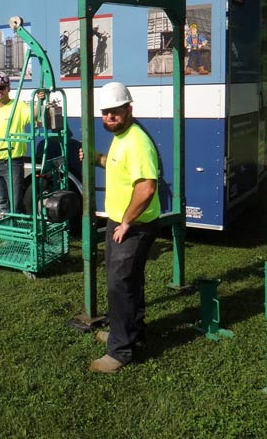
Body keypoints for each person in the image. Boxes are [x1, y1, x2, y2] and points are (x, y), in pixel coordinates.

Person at [83, 81, 160, 373]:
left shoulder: (137, 141)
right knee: (129, 283)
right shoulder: (121, 137)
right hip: (121, 222)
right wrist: (97, 159)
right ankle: (128, 331)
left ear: (129, 109)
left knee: (120, 284)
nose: (109, 118)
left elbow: (146, 188)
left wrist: (126, 222)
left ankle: (120, 351)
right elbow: (120, 167)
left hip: (134, 226)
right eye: (105, 113)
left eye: (115, 112)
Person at [0, 72, 41, 215]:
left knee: (15, 203)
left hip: (13, 162)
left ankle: (17, 235)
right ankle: (7, 234)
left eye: (2, 87)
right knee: (2, 201)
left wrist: (40, 102)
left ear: (8, 88)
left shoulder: (18, 106)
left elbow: (33, 115)